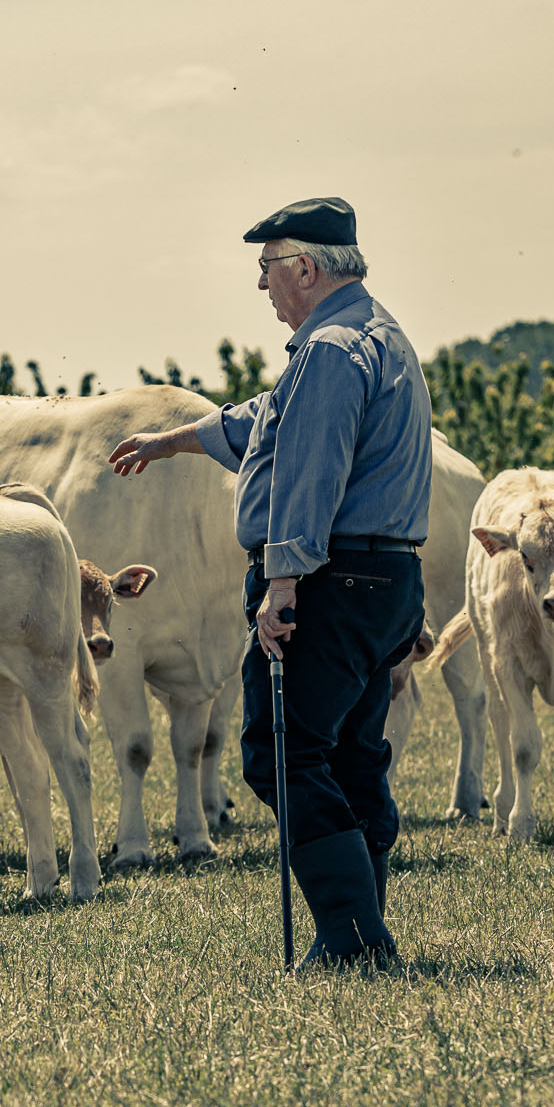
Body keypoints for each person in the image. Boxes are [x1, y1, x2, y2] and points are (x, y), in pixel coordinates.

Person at [109, 196, 430, 971]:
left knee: (280, 755)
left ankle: (354, 942)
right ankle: (360, 932)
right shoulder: (374, 334)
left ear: (307, 268)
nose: (262, 287)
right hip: (385, 577)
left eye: (267, 269)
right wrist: (176, 440)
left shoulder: (327, 351)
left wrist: (281, 583)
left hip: (328, 579)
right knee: (352, 753)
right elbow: (269, 419)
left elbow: (310, 469)